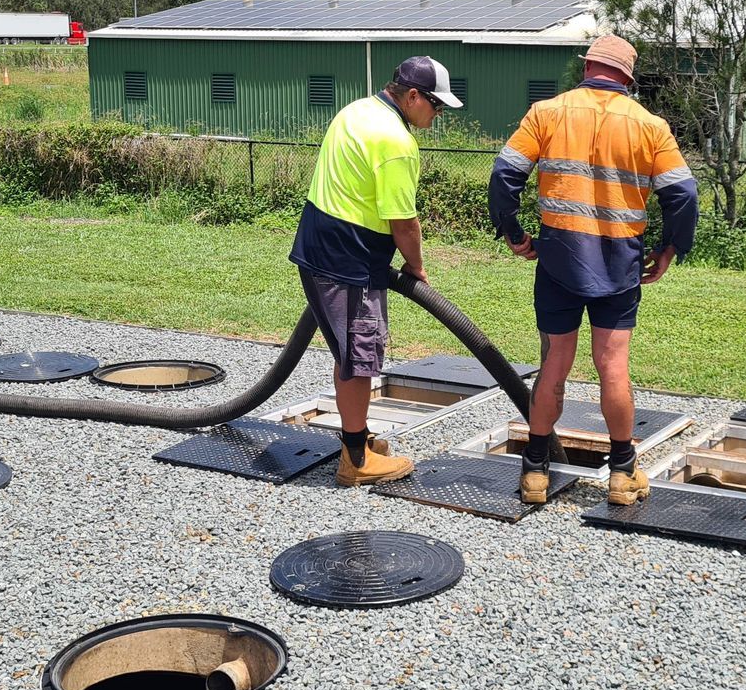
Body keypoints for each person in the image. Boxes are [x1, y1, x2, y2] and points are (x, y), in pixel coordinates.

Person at [487, 34, 698, 506]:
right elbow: (682, 195)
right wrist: (670, 248)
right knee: (613, 366)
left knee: (554, 364)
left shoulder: (547, 112)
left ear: (588, 68)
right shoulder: (649, 125)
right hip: (621, 264)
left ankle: (535, 473)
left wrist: (514, 232)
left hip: (559, 259)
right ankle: (623, 475)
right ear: (626, 75)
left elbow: (504, 176)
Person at [290, 55, 463, 486]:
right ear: (411, 96)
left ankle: (359, 438)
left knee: (351, 353)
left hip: (321, 246)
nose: (438, 114)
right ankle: (356, 461)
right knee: (360, 358)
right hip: (349, 261)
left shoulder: (357, 110)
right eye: (435, 105)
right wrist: (417, 267)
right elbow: (403, 221)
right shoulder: (396, 142)